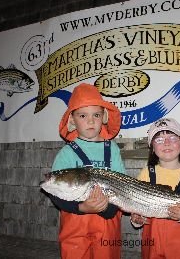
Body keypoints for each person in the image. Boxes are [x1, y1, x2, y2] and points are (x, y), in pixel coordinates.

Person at [48, 83, 126, 259]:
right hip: (76, 227)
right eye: (83, 115)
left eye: (96, 115)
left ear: (104, 118)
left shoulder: (112, 148)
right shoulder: (66, 153)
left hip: (107, 224)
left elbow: (122, 188)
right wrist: (82, 207)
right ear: (72, 120)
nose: (91, 121)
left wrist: (108, 209)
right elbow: (55, 194)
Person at [130, 118, 180, 259]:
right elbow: (137, 204)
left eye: (172, 137)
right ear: (152, 148)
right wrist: (137, 218)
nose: (166, 143)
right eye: (159, 139)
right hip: (152, 247)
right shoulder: (146, 173)